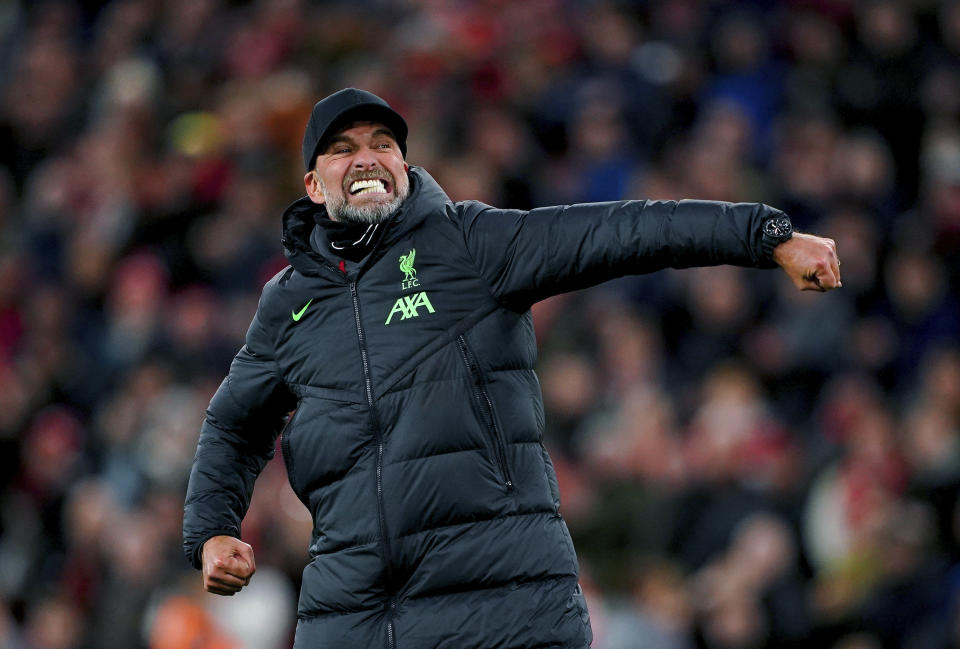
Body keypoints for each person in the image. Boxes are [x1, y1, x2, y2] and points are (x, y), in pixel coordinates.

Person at [182, 88, 841, 649]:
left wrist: (768, 236)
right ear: (312, 185)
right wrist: (213, 529)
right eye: (343, 147)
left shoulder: (469, 242)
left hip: (502, 604)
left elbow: (625, 231)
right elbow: (234, 426)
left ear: (404, 164)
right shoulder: (288, 304)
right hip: (352, 616)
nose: (367, 157)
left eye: (383, 142)